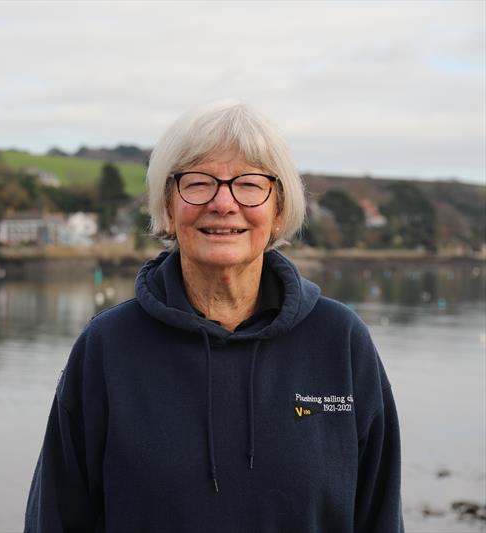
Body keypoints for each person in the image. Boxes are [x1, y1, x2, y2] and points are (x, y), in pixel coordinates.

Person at [24, 100, 404, 533]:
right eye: (199, 182)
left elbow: (380, 518)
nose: (223, 203)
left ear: (279, 208)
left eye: (248, 184)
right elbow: (53, 519)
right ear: (168, 205)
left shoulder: (340, 341)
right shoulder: (107, 347)